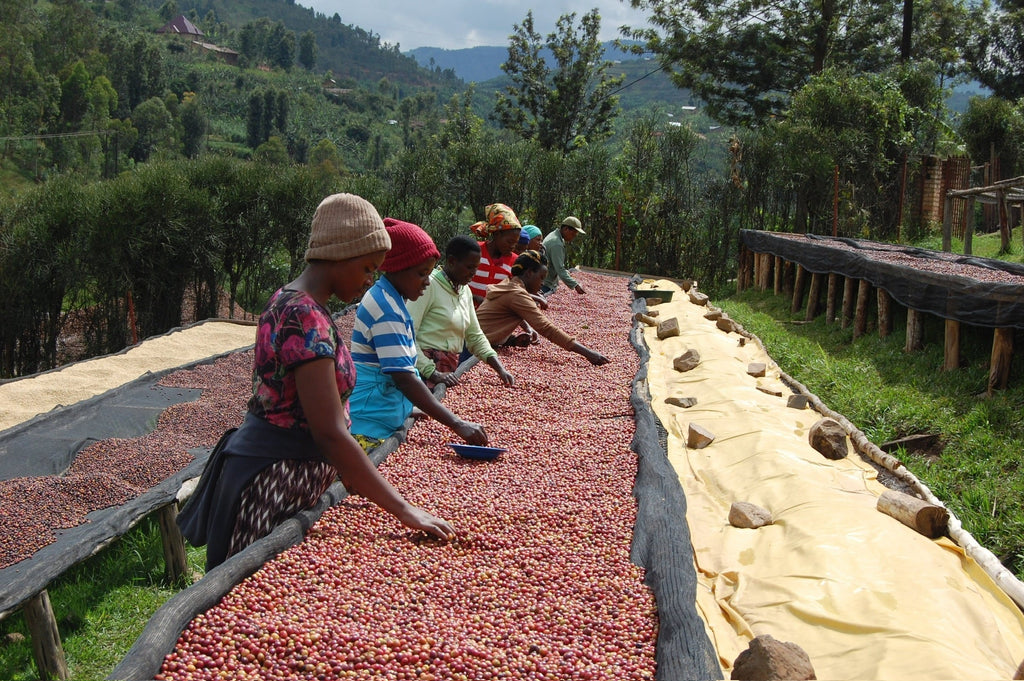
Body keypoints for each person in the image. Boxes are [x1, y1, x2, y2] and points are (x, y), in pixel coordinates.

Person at [177, 193, 454, 571]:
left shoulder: (298, 303)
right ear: (342, 255)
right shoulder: (302, 316)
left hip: (294, 479)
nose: (370, 280)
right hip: (272, 485)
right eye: (368, 268)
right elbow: (329, 432)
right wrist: (404, 510)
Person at [349, 218, 488, 449]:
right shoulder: (386, 308)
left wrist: (409, 408)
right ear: (397, 268)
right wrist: (456, 423)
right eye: (422, 274)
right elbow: (403, 377)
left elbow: (392, 366)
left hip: (382, 414)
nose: (426, 283)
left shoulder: (392, 300)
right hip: (369, 425)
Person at [406, 235, 515, 388]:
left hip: (448, 370)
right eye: (469, 267)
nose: (473, 273)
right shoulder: (428, 286)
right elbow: (407, 335)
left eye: (476, 268)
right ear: (451, 261)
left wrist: (500, 369)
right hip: (421, 370)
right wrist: (431, 371)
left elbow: (475, 335)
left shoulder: (465, 291)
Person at [476, 250, 609, 366]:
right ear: (529, 273)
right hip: (476, 349)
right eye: (541, 277)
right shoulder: (517, 294)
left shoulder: (508, 284)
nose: (542, 283)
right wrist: (589, 354)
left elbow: (504, 314)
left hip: (477, 341)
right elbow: (546, 329)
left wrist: (511, 340)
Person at [467, 203, 522, 307]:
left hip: (491, 319)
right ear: (497, 234)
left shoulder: (515, 261)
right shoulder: (475, 251)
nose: (512, 247)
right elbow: (457, 282)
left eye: (515, 243)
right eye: (509, 242)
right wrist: (474, 297)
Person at [541, 216, 587, 295]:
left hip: (544, 278)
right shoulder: (556, 243)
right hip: (545, 283)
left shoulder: (554, 235)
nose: (573, 237)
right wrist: (575, 285)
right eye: (573, 234)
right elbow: (560, 269)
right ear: (566, 229)